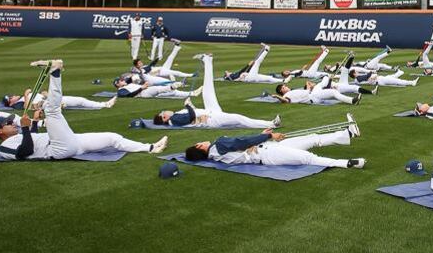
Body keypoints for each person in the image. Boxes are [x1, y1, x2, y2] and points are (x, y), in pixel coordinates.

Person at [0, 60, 167, 160]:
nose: (12, 124)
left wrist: (32, 122)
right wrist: (25, 128)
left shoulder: (17, 135)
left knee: (112, 137)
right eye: (8, 124)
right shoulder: (4, 147)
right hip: (57, 149)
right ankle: (55, 71)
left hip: (68, 141)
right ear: (0, 131)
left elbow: (31, 138)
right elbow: (24, 152)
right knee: (52, 110)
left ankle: (150, 147)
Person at [184, 115, 365, 169]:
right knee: (308, 157)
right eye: (199, 142)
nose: (201, 140)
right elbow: (241, 141)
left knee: (311, 138)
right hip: (269, 153)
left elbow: (242, 144)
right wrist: (269, 136)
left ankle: (346, 133)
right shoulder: (218, 145)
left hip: (269, 148)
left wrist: (264, 136)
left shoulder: (215, 154)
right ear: (200, 147)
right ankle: (347, 163)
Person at [153, 54, 280, 129]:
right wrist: (188, 106)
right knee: (238, 118)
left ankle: (208, 60)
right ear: (164, 117)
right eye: (163, 112)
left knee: (208, 89)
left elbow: (191, 116)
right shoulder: (173, 120)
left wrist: (190, 106)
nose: (165, 111)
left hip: (210, 112)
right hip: (212, 119)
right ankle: (270, 124)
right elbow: (191, 116)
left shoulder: (174, 116)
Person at [224, 44, 291, 84]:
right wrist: (248, 65)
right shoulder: (231, 76)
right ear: (227, 76)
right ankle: (267, 49)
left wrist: (250, 66)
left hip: (251, 77)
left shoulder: (232, 76)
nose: (228, 72)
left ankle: (284, 81)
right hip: (249, 78)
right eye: (227, 73)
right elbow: (241, 71)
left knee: (268, 78)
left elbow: (244, 72)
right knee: (257, 62)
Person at [273, 75, 360, 105]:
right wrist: (278, 97)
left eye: (285, 86)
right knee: (333, 92)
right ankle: (352, 101)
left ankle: (328, 79)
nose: (286, 86)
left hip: (312, 93)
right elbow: (285, 101)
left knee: (320, 83)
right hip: (313, 98)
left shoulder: (291, 91)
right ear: (282, 91)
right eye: (284, 87)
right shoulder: (286, 95)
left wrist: (308, 85)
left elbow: (306, 92)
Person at [1, 89, 116, 111]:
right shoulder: (17, 105)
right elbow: (27, 108)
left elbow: (43, 93)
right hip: (44, 104)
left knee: (80, 100)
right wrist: (26, 95)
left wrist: (45, 94)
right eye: (11, 98)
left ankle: (105, 104)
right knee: (43, 104)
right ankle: (57, 105)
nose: (13, 96)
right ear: (11, 102)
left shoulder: (24, 96)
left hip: (51, 98)